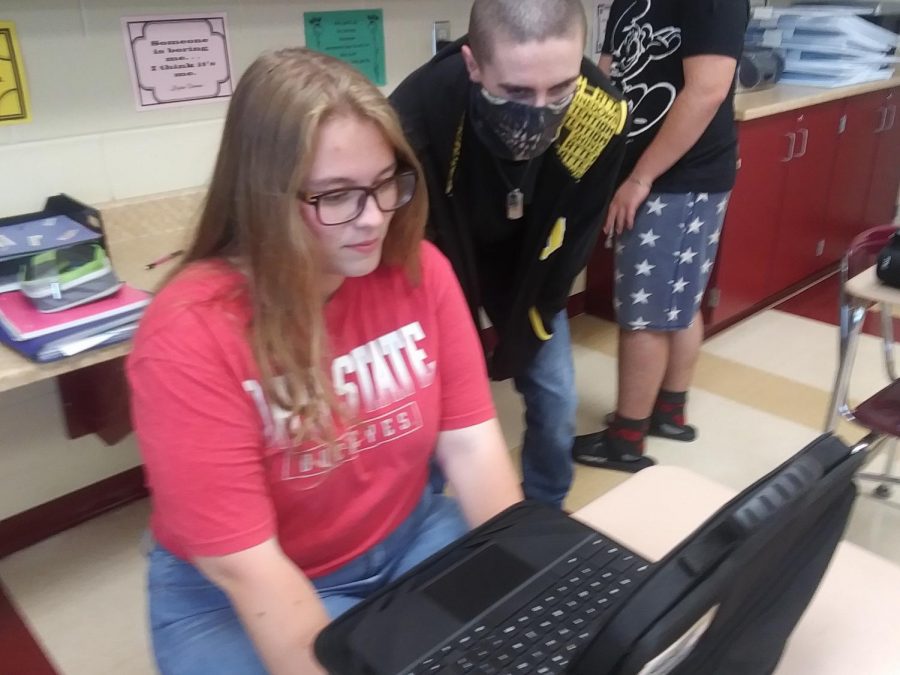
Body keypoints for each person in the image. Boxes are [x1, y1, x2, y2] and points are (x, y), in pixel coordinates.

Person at [127, 48, 523, 675]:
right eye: (337, 195)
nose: (372, 218)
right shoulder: (188, 334)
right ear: (264, 198)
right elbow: (246, 566)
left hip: (411, 538)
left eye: (385, 182)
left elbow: (473, 449)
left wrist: (532, 584)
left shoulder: (419, 273)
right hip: (235, 593)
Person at [390, 0, 630, 506]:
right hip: (443, 257)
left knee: (557, 394)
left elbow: (577, 236)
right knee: (430, 403)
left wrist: (527, 332)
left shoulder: (599, 112)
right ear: (474, 64)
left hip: (532, 260)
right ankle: (420, 518)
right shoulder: (418, 112)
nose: (539, 111)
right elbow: (413, 241)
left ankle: (544, 508)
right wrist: (463, 349)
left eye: (560, 88)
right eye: (517, 91)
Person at [572, 0, 750, 471]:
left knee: (645, 315)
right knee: (677, 300)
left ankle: (626, 441)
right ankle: (666, 413)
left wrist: (639, 178)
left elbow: (707, 91)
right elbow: (605, 81)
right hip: (650, 176)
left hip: (677, 179)